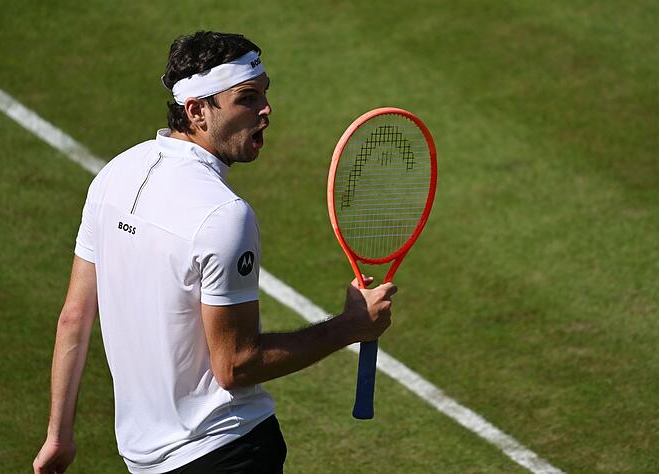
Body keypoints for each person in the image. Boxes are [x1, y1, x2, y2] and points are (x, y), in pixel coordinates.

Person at [33, 31, 397, 474]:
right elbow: (237, 365)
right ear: (197, 111)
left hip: (144, 460)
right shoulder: (224, 215)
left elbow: (73, 316)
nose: (266, 110)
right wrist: (350, 327)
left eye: (265, 94)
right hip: (228, 453)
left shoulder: (114, 174)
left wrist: (58, 435)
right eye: (247, 98)